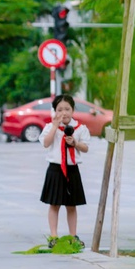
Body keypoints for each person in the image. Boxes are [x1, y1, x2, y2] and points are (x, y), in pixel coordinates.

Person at [40, 93, 90, 249]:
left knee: (71, 205)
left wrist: (74, 143)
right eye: (60, 109)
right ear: (55, 111)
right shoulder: (50, 127)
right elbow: (46, 144)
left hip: (72, 169)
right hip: (55, 170)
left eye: (67, 109)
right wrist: (55, 127)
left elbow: (85, 148)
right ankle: (53, 236)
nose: (64, 113)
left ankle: (73, 235)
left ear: (73, 110)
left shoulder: (80, 128)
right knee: (54, 204)